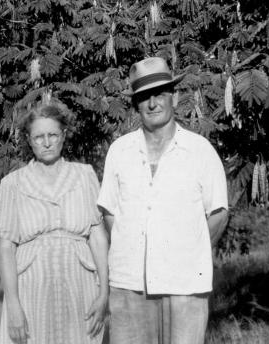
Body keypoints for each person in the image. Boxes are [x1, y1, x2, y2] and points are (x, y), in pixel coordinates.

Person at [97, 57, 228, 344]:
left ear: (175, 97)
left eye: (160, 94)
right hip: (128, 286)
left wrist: (188, 255)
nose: (153, 103)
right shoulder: (120, 151)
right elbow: (109, 214)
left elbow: (218, 213)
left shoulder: (200, 151)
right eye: (144, 97)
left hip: (185, 288)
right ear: (136, 105)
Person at [0, 103, 109, 344]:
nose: (46, 143)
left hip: (79, 284)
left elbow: (98, 238)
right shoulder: (12, 183)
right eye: (38, 137)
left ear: (64, 136)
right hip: (31, 287)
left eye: (53, 135)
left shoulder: (84, 174)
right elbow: (6, 248)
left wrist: (104, 292)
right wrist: (13, 304)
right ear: (28, 139)